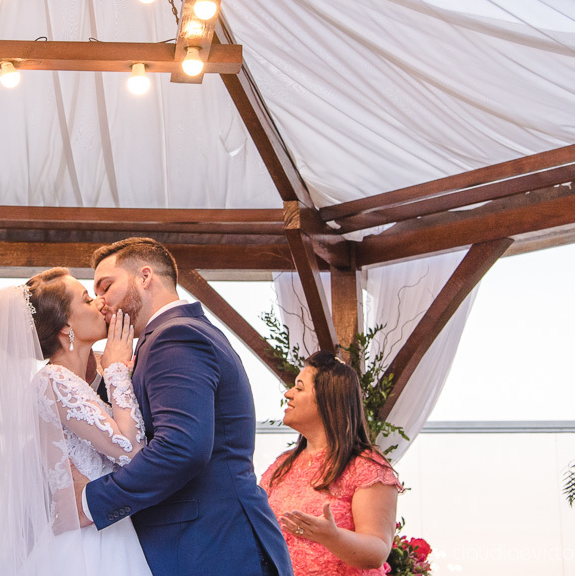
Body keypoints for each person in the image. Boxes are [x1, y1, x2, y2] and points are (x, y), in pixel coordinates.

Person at [79, 238, 293, 576]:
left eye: (106, 286)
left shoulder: (174, 336)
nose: (101, 301)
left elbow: (182, 446)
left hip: (213, 547)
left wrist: (92, 501)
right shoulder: (169, 337)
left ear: (145, 276)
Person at [0, 267, 154, 576]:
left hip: (106, 530)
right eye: (85, 299)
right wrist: (117, 369)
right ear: (66, 325)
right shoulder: (53, 380)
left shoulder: (70, 383)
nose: (98, 302)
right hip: (88, 548)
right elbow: (131, 450)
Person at [259, 351, 403, 576]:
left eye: (299, 387)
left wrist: (332, 537)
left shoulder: (366, 468)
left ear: (328, 398)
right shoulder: (282, 465)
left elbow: (377, 551)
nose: (288, 394)